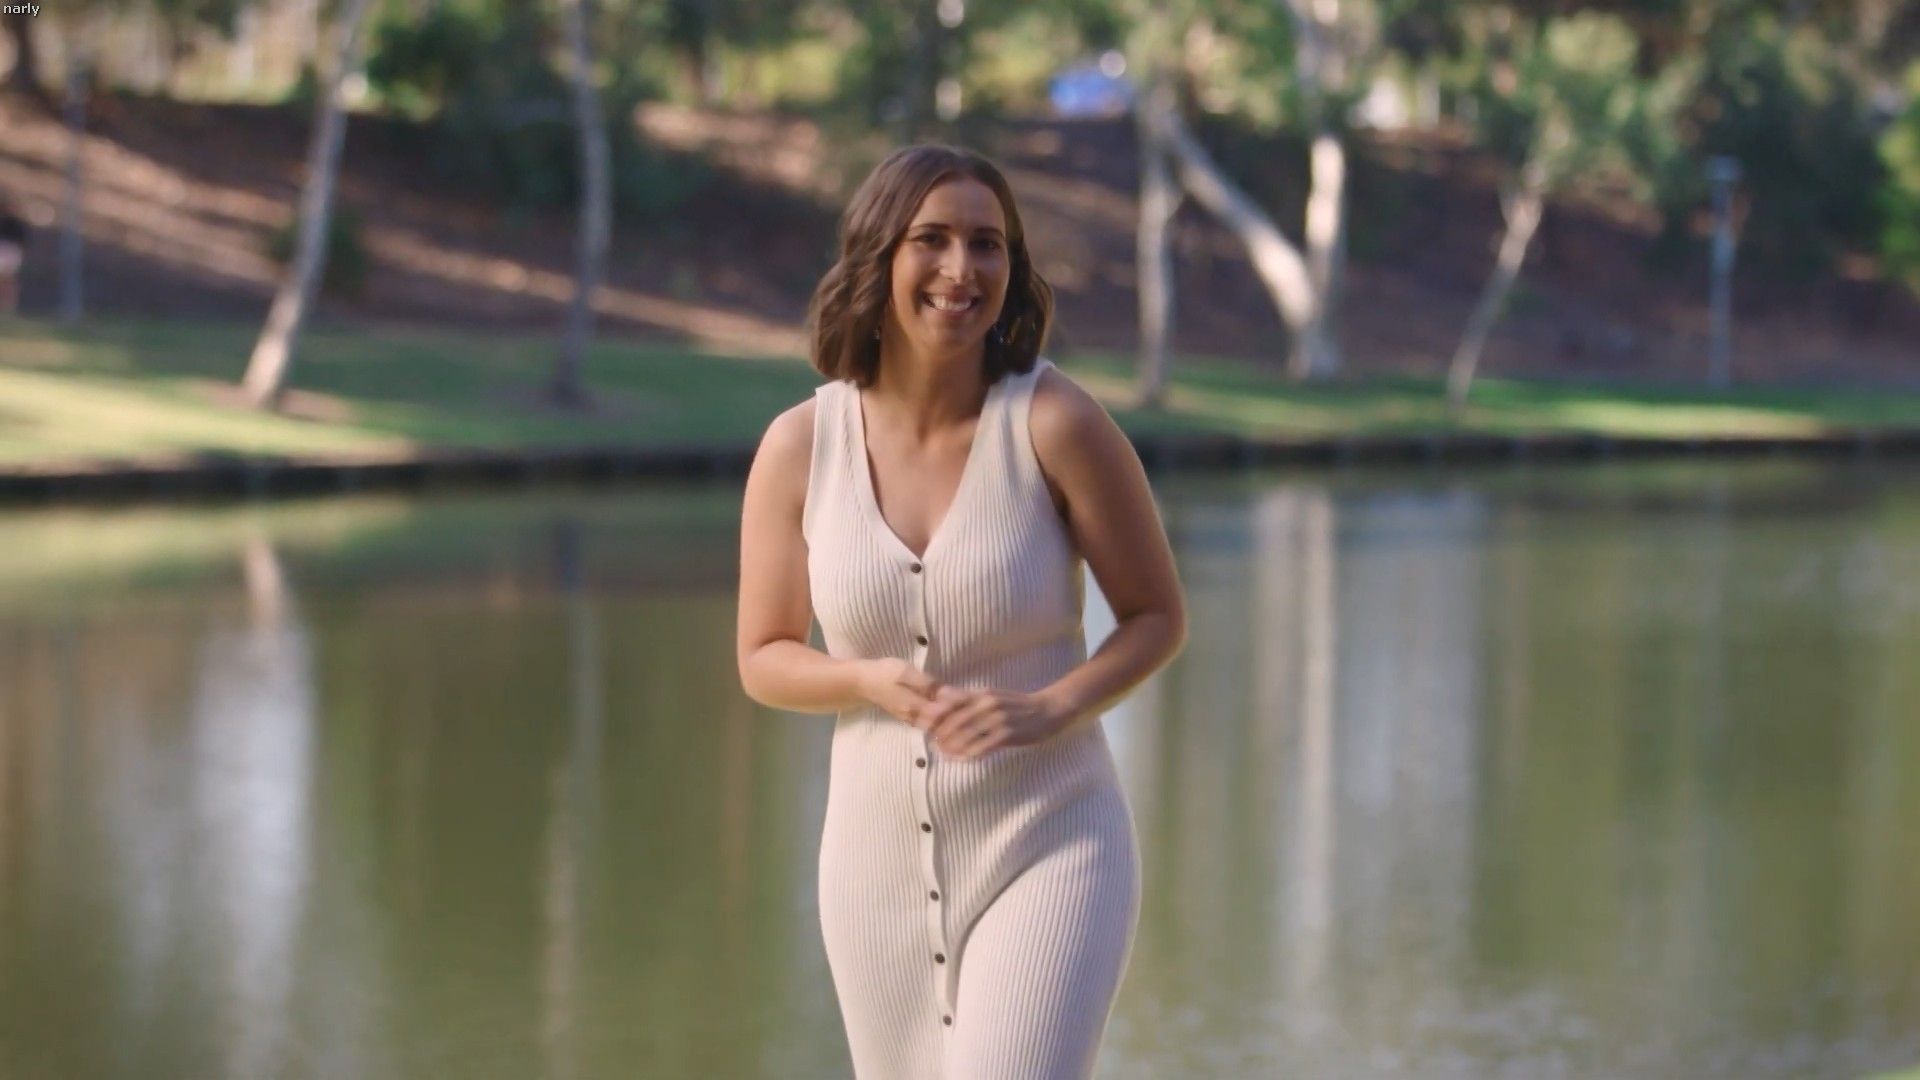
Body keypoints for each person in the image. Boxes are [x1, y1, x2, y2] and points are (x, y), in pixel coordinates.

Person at [736, 144, 1188, 1079]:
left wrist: (1051, 709)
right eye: (932, 240)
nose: (961, 269)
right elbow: (765, 655)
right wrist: (867, 680)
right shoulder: (799, 447)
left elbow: (1154, 615)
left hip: (1052, 840)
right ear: (879, 256)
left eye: (988, 244)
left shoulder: (1057, 424)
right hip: (873, 878)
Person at [0, 203, 26, 316]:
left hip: (10, 254)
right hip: (8, 254)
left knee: (8, 282)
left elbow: (21, 241)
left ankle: (8, 305)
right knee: (7, 282)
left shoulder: (14, 224)